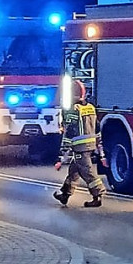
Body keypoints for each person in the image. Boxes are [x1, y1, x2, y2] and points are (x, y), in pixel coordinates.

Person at [53, 80, 107, 208]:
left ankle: (97, 196)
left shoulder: (72, 110)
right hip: (90, 145)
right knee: (74, 171)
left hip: (80, 147)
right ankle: (65, 195)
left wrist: (62, 157)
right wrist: (101, 151)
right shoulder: (90, 108)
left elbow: (68, 133)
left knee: (87, 172)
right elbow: (97, 128)